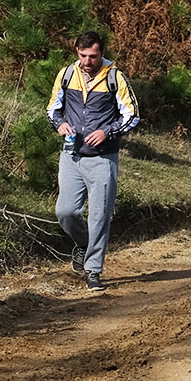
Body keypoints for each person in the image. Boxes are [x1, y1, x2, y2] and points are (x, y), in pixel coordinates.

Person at [48, 31, 141, 292]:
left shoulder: (115, 77)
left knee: (99, 216)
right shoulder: (67, 74)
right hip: (71, 155)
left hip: (103, 159)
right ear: (76, 51)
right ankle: (84, 244)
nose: (88, 61)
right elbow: (52, 108)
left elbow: (132, 115)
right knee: (65, 212)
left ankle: (93, 270)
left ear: (102, 53)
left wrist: (107, 132)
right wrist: (60, 124)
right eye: (83, 55)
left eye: (93, 56)